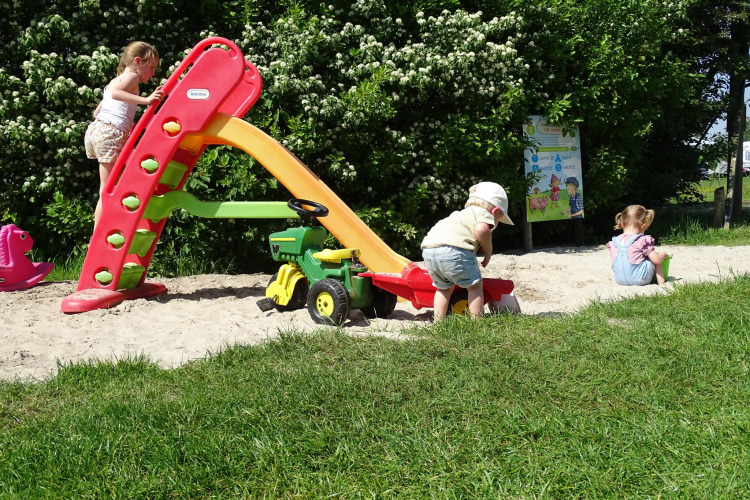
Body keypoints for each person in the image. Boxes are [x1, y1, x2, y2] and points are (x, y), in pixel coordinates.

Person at [84, 41, 164, 225]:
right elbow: (116, 95)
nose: (153, 73)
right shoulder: (132, 77)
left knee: (109, 183)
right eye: (151, 67)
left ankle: (105, 224)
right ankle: (99, 230)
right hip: (109, 132)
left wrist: (129, 123)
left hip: (97, 130)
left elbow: (98, 111)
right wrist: (146, 99)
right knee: (108, 187)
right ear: (137, 61)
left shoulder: (114, 81)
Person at [421, 182, 514, 321]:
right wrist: (488, 251)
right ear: (495, 211)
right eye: (499, 219)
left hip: (429, 249)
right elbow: (481, 230)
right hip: (455, 250)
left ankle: (438, 323)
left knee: (443, 288)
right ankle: (477, 323)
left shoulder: (460, 214)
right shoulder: (484, 213)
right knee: (475, 286)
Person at [607, 205, 670, 285]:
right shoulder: (642, 240)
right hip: (640, 279)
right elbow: (657, 260)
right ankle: (661, 282)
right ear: (644, 226)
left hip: (620, 280)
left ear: (622, 224)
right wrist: (663, 255)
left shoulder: (614, 242)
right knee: (654, 256)